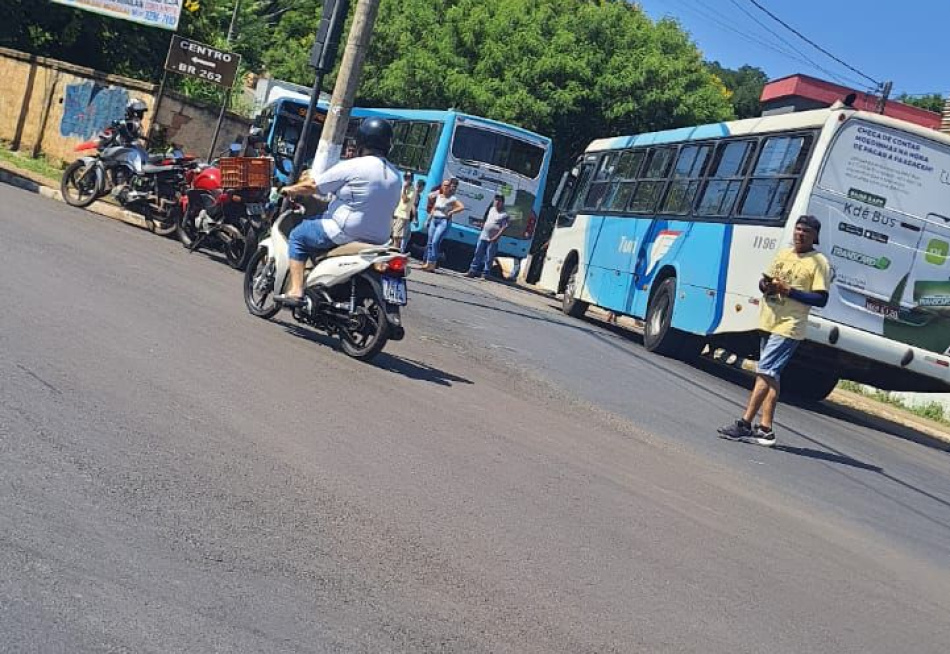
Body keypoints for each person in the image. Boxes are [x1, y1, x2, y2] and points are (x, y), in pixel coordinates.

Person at [718, 215, 830, 447]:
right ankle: (766, 428)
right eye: (798, 229)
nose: (800, 234)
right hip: (769, 320)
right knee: (771, 375)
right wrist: (766, 286)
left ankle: (744, 424)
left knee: (764, 371)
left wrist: (790, 292)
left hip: (789, 325)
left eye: (806, 231)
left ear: (815, 236)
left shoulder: (818, 262)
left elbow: (821, 299)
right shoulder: (784, 253)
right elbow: (764, 280)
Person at [274, 117, 402, 307]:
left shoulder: (354, 165)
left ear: (361, 142)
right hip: (379, 238)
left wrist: (291, 189)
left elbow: (313, 186)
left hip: (346, 231)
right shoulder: (395, 175)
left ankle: (296, 290)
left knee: (298, 236)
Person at [421, 178, 464, 271]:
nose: (446, 187)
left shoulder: (452, 198)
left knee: (435, 242)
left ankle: (433, 262)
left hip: (443, 221)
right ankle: (428, 263)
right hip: (434, 220)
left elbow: (461, 207)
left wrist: (452, 212)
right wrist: (428, 220)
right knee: (429, 242)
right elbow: (433, 207)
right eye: (445, 185)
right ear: (442, 186)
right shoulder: (439, 196)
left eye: (448, 186)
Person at [465, 193, 509, 279]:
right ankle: (472, 270)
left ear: (502, 202)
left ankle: (486, 273)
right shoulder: (492, 209)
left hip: (493, 238)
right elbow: (488, 220)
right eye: (496, 200)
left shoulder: (504, 215)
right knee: (478, 253)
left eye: (499, 200)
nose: (497, 202)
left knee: (489, 257)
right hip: (483, 235)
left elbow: (504, 227)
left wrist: (496, 237)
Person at [391, 171, 414, 252]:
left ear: (412, 179)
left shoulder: (412, 189)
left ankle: (394, 254)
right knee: (394, 236)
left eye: (408, 178)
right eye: (405, 177)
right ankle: (393, 253)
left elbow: (405, 200)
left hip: (403, 216)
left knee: (397, 237)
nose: (406, 179)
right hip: (397, 213)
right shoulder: (404, 187)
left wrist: (404, 188)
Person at [405, 178, 426, 254]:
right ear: (420, 187)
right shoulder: (416, 195)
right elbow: (414, 207)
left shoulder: (411, 192)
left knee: (405, 234)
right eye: (423, 188)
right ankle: (401, 250)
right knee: (405, 235)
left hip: (405, 214)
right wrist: (416, 219)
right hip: (408, 216)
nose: (423, 190)